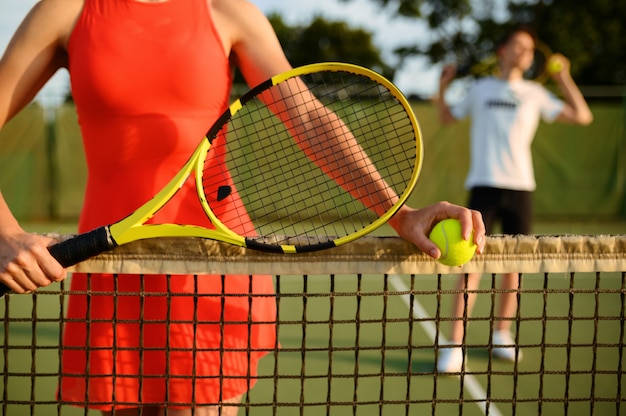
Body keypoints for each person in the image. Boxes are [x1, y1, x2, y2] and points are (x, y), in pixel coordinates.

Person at [0, 0, 485, 414]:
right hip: (112, 268)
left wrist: (399, 214)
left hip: (214, 263)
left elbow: (310, 120)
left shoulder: (227, 11)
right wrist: (4, 231)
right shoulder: (66, 11)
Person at [435, 25, 592, 373]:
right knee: (469, 267)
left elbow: (583, 116)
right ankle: (454, 344)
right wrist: (443, 85)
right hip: (483, 188)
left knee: (513, 267)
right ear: (502, 50)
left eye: (530, 49)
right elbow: (446, 117)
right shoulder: (481, 89)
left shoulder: (535, 94)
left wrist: (564, 76)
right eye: (518, 46)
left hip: (521, 187)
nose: (524, 52)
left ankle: (501, 335)